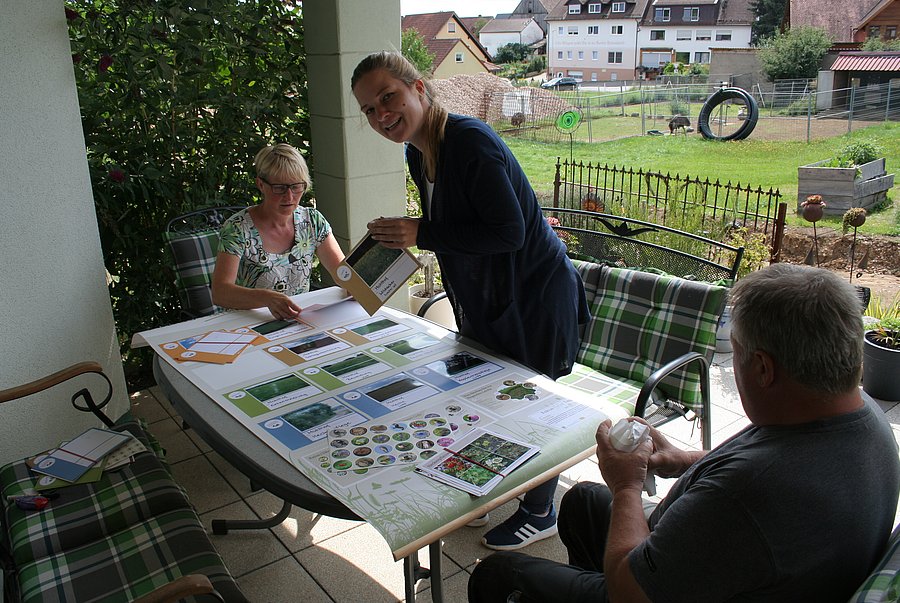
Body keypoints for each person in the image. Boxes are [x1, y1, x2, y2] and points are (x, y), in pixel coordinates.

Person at [469, 263, 900, 602]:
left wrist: (627, 485)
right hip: (727, 564)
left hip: (645, 590)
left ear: (764, 369)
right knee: (582, 501)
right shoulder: (858, 418)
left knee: (498, 576)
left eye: (737, 355)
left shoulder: (751, 490)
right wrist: (681, 459)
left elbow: (628, 594)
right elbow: (755, 469)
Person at [351, 51, 590, 551]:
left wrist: (422, 232)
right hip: (488, 299)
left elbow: (509, 232)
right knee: (488, 395)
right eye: (369, 110)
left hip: (533, 300)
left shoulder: (470, 142)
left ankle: (540, 511)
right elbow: (457, 228)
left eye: (387, 97)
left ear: (418, 88)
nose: (380, 115)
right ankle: (491, 490)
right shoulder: (420, 152)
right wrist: (414, 238)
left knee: (531, 403)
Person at [211, 143, 345, 320]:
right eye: (279, 188)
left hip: (297, 320)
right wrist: (266, 298)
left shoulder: (312, 221)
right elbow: (221, 292)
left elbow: (344, 275)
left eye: (296, 187)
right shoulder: (237, 228)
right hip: (246, 324)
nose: (289, 197)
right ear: (261, 184)